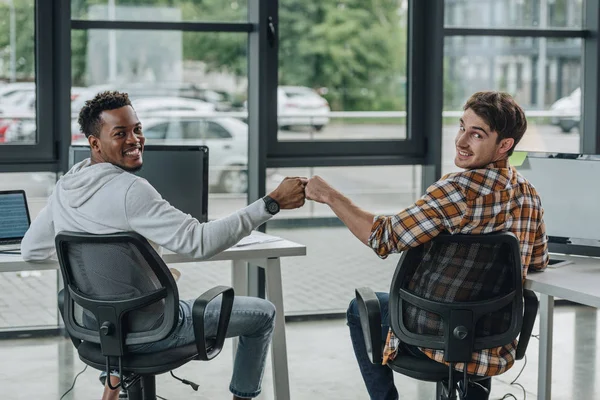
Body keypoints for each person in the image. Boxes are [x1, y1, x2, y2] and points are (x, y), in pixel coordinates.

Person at [21, 91, 307, 400]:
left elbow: (31, 250)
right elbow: (199, 242)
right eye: (120, 134)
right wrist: (271, 203)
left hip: (97, 328)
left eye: (137, 129)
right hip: (154, 331)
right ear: (94, 143)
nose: (135, 139)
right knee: (263, 313)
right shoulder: (131, 189)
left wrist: (96, 262)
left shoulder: (65, 187)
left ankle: (119, 382)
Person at [304, 91, 549, 400]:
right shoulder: (529, 194)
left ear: (505, 146)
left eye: (477, 134)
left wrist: (329, 196)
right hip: (494, 341)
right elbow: (538, 262)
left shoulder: (456, 191)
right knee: (475, 305)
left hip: (430, 337)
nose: (461, 141)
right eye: (462, 127)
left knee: (361, 308)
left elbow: (384, 236)